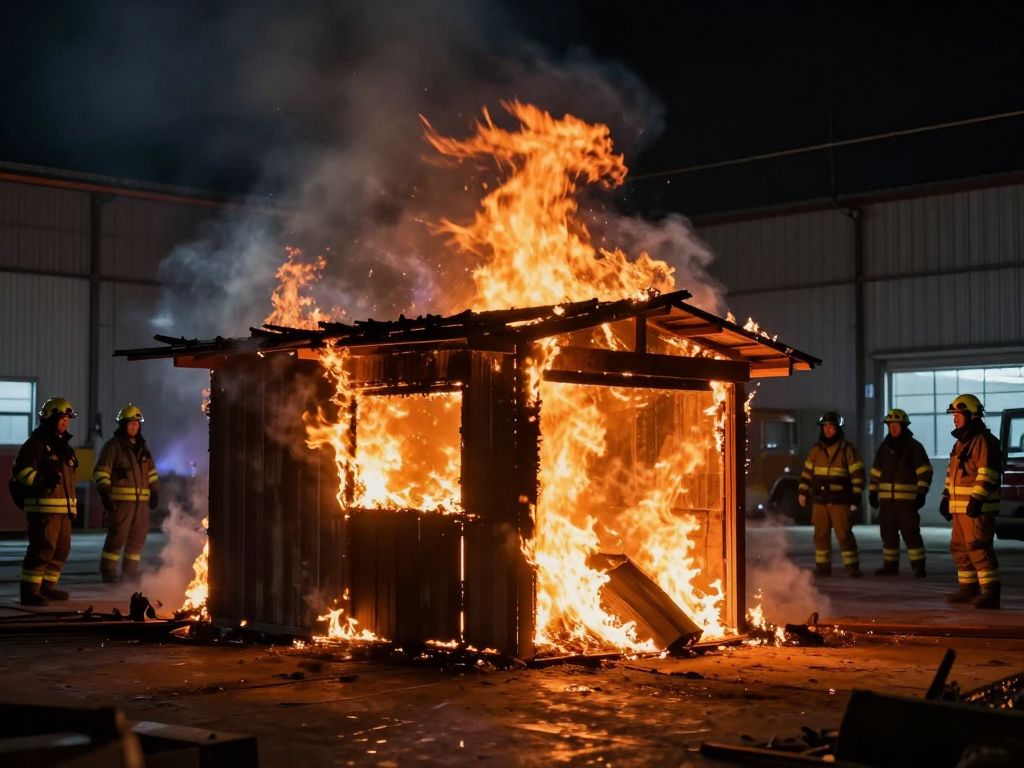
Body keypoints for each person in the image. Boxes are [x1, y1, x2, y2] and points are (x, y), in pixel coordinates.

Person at [12, 398, 79, 605]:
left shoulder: (65, 448)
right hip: (43, 510)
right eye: (61, 418)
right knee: (42, 549)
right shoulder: (36, 445)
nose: (65, 422)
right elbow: (22, 473)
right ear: (50, 418)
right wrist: (42, 480)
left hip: (63, 511)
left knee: (61, 550)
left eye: (67, 418)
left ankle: (48, 587)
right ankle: (30, 592)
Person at [940, 394, 1002, 609]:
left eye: (958, 414)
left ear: (971, 415)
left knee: (978, 548)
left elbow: (987, 474)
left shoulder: (983, 441)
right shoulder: (961, 442)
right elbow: (952, 473)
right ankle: (968, 589)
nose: (954, 419)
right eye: (953, 415)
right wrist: (946, 497)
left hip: (977, 509)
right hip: (961, 508)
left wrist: (977, 500)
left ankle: (991, 593)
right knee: (959, 548)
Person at [93, 404, 160, 583]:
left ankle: (130, 573)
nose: (134, 427)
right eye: (130, 423)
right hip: (121, 504)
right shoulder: (113, 447)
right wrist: (105, 494)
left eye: (137, 423)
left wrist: (154, 492)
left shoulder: (143, 448)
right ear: (122, 425)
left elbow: (152, 473)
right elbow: (101, 472)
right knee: (116, 538)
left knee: (137, 541)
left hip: (142, 506)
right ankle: (108, 572)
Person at [798, 410, 865, 577]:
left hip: (840, 500)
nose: (828, 430)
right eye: (825, 427)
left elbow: (857, 475)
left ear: (838, 429)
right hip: (820, 500)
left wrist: (856, 497)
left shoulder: (847, 450)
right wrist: (802, 492)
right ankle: (823, 567)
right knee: (820, 535)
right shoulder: (816, 450)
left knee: (844, 535)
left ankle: (852, 567)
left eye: (831, 427)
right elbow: (806, 473)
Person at [868, 409, 933, 577]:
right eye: (891, 426)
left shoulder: (914, 447)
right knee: (888, 533)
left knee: (910, 533)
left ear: (903, 426)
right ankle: (890, 566)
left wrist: (921, 492)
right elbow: (876, 472)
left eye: (896, 425)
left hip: (907, 501)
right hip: (887, 502)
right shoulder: (884, 448)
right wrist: (872, 492)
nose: (893, 429)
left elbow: (924, 471)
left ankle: (919, 566)